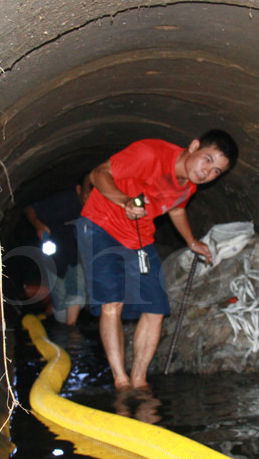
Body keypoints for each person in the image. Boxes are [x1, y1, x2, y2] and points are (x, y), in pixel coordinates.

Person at [76, 129, 238, 390]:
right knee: (112, 304)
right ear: (194, 145)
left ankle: (139, 381)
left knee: (156, 308)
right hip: (101, 225)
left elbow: (176, 208)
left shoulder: (188, 186)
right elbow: (98, 174)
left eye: (217, 171)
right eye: (208, 160)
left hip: (139, 237)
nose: (208, 172)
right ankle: (121, 381)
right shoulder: (150, 154)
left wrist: (192, 242)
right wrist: (125, 201)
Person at [24, 174, 93, 325]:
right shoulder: (62, 201)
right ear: (78, 189)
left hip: (77, 256)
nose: (91, 197)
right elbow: (30, 208)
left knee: (77, 291)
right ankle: (59, 323)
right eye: (88, 191)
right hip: (54, 255)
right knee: (60, 307)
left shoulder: (101, 210)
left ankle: (71, 332)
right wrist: (38, 226)